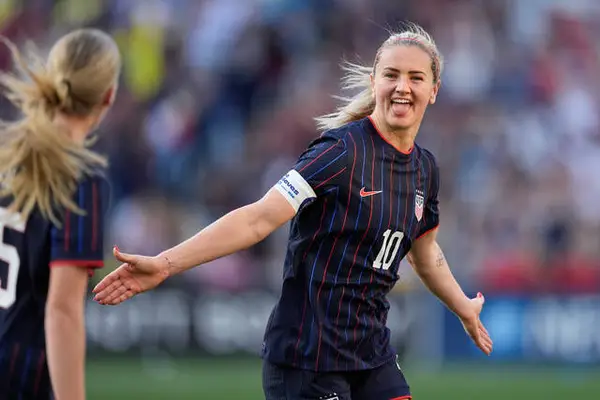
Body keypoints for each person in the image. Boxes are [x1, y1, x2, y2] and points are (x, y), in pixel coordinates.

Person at [93, 22, 492, 400]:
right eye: (392, 75)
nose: (402, 87)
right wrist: (165, 264)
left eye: (416, 78)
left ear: (434, 90)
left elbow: (425, 252)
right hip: (308, 359)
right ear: (375, 82)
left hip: (371, 354)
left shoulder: (425, 168)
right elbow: (257, 219)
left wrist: (464, 307)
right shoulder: (340, 153)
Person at [0, 29, 120, 400]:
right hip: (20, 374)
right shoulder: (81, 180)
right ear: (108, 95)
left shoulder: (7, 156)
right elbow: (63, 309)